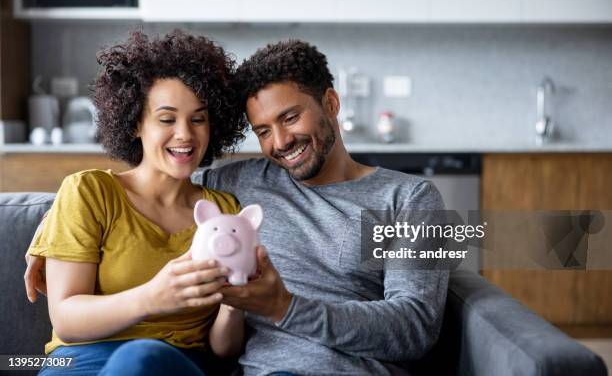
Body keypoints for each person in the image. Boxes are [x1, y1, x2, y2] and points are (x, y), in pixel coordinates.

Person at [26, 39, 449, 375]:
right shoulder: (241, 185)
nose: (279, 143)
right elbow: (146, 192)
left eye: (290, 118)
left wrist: (285, 308)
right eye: (263, 130)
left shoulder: (411, 199)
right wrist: (51, 230)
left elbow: (415, 327)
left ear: (332, 105)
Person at [25, 30, 248, 375]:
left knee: (142, 359)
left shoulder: (224, 211)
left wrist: (236, 302)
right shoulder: (90, 192)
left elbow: (224, 350)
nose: (185, 134)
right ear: (135, 125)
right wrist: (153, 297)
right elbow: (66, 318)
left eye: (198, 119)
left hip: (177, 365)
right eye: (167, 119)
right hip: (79, 364)